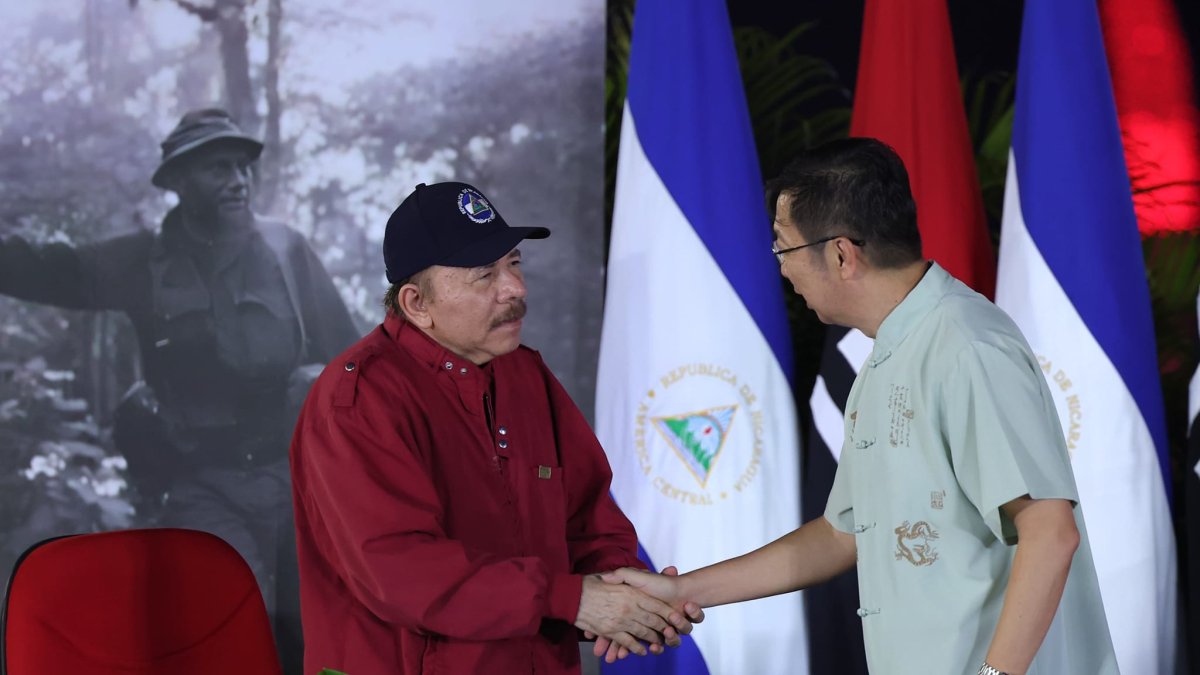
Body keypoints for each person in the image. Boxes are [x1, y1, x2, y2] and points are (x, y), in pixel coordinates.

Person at [601, 138, 1119, 675]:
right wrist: (679, 590)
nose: (782, 269)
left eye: (784, 248)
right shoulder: (889, 354)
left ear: (842, 254)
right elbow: (841, 534)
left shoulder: (966, 346)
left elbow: (1050, 532)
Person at [289, 180, 702, 674]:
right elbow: (402, 571)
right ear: (417, 303)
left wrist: (627, 593)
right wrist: (574, 600)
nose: (516, 289)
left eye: (514, 263)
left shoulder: (526, 374)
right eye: (486, 275)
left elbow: (588, 515)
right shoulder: (356, 401)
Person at [0, 108, 359, 672]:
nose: (238, 180)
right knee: (226, 631)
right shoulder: (141, 262)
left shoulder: (286, 251)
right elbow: (51, 269)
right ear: (179, 183)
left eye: (242, 168)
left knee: (314, 639)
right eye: (218, 168)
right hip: (200, 486)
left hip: (295, 482)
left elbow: (354, 359)